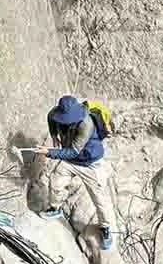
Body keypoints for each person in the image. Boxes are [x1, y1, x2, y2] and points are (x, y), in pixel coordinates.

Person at [39, 95, 118, 251]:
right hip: (71, 161)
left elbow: (73, 152)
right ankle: (55, 208)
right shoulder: (55, 114)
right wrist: (54, 135)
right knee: (56, 183)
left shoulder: (86, 124)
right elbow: (50, 117)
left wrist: (49, 152)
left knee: (99, 199)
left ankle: (105, 228)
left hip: (90, 163)